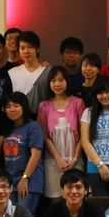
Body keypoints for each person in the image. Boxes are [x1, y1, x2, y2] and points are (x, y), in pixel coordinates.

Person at [37, 66, 85, 201]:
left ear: (67, 81)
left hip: (75, 159)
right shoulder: (44, 106)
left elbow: (83, 135)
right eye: (53, 81)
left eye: (61, 80)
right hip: (53, 161)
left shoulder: (78, 103)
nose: (57, 84)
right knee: (55, 199)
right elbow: (44, 136)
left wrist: (75, 159)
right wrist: (57, 158)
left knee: (75, 197)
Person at [0, 92, 44, 217]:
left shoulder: (33, 127)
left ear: (24, 107)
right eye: (8, 106)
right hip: (10, 182)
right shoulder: (6, 129)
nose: (12, 109)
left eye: (16, 105)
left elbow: (35, 155)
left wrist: (25, 178)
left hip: (30, 181)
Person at [7, 30, 50, 114]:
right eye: (22, 48)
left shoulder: (48, 72)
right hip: (20, 119)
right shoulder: (12, 73)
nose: (26, 51)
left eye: (29, 47)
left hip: (45, 117)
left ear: (37, 49)